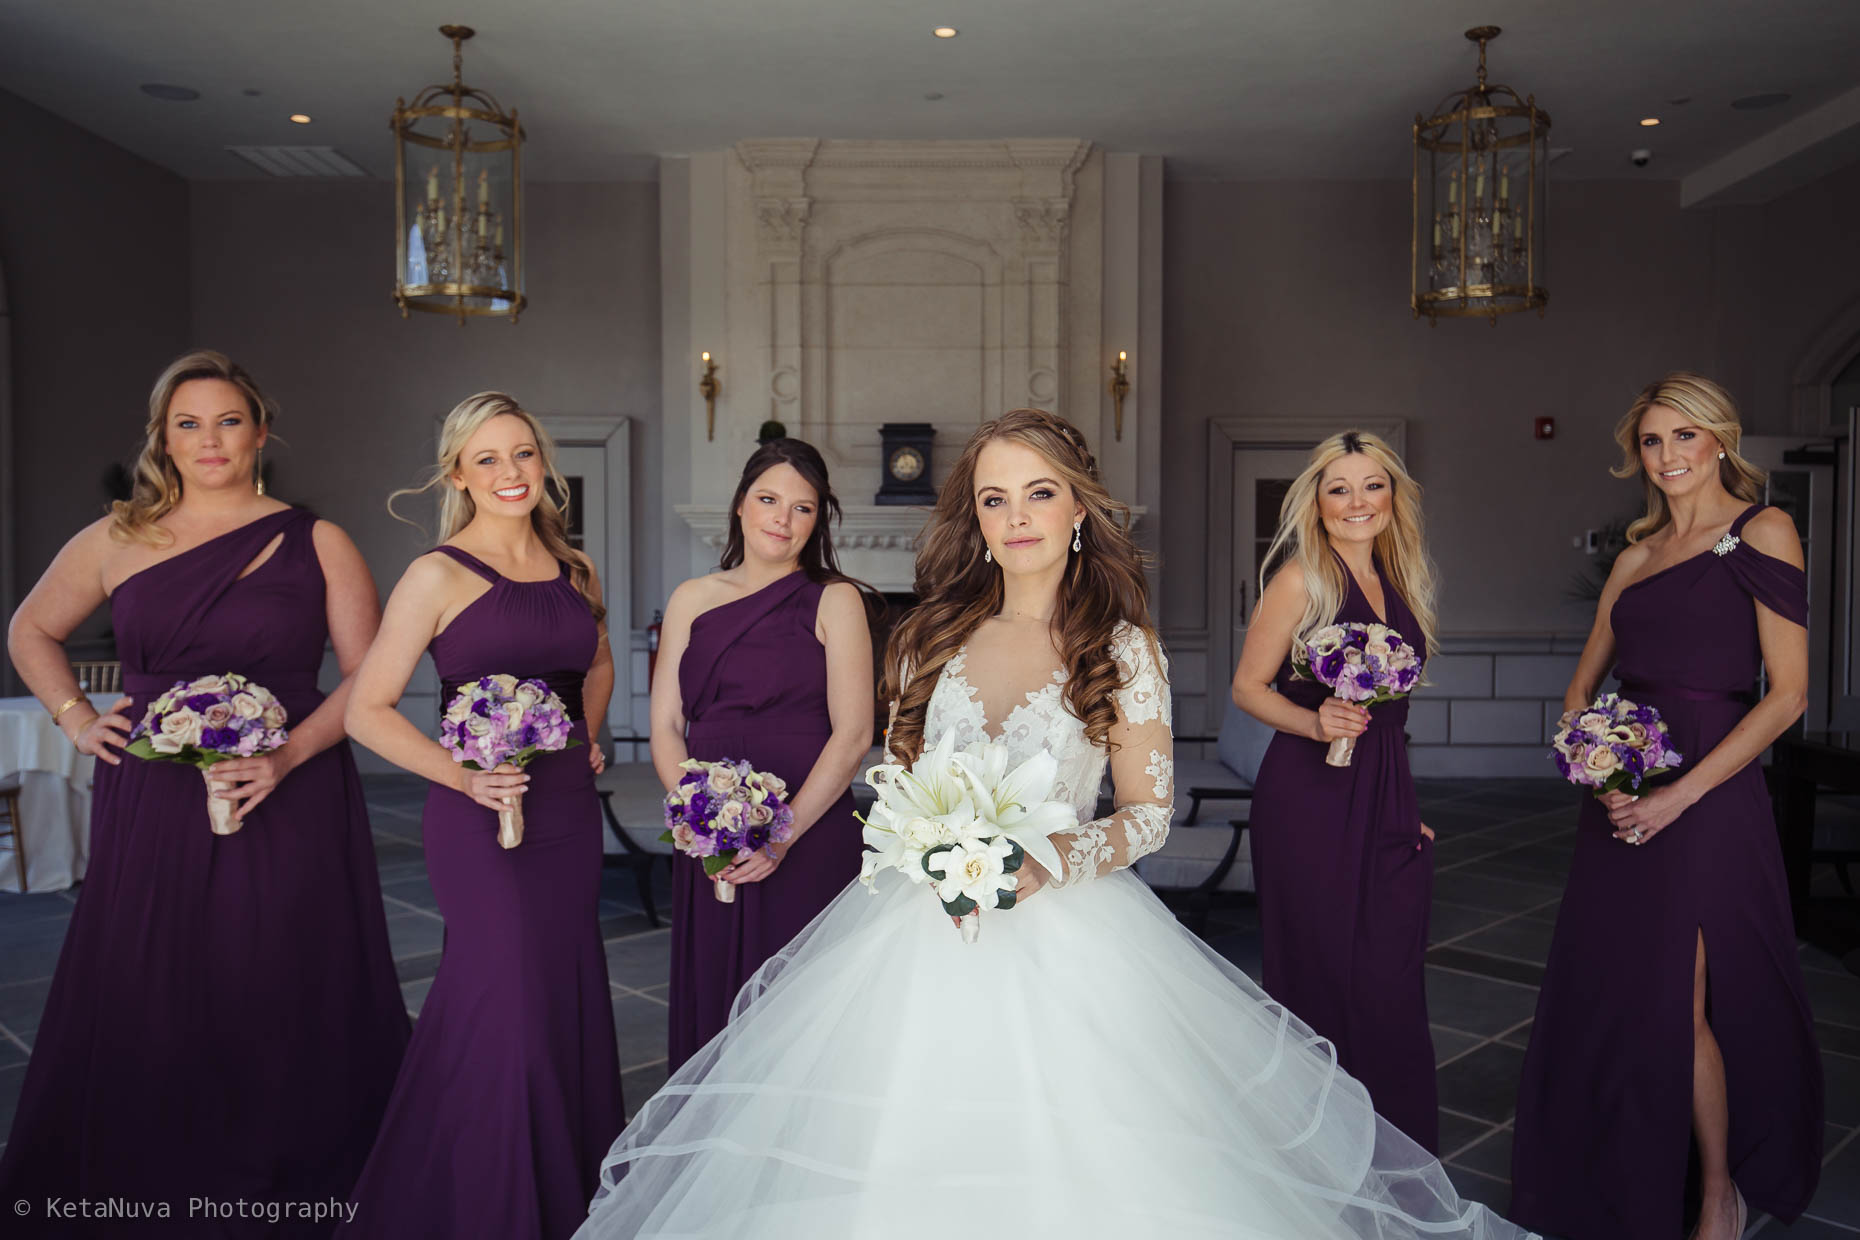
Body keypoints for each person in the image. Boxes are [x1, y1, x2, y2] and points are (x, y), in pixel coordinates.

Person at [572, 409, 1524, 1239]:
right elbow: (898, 778)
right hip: (913, 929)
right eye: (994, 499)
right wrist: (921, 836)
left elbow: (1148, 816)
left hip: (1064, 924)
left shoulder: (1118, 645)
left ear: (1079, 508)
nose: (1016, 517)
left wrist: (1048, 860)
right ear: (975, 517)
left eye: (1039, 494)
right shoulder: (930, 634)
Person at [0, 349, 407, 1236]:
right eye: (188, 423)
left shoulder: (318, 540)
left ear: (260, 432)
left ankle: (292, 1166)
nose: (209, 439)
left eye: (227, 420)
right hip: (153, 794)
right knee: (157, 967)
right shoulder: (119, 536)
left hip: (288, 789)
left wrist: (287, 756)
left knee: (279, 967)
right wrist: (75, 717)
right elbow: (30, 627)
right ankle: (154, 1168)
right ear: (163, 439)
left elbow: (371, 675)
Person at [1511, 373, 1822, 1240]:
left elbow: (1787, 695)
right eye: (1653, 441)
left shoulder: (1763, 531)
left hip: (1711, 794)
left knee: (1684, 998)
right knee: (1620, 989)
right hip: (1623, 802)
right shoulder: (1634, 558)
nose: (1670, 455)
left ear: (1720, 440)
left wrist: (1679, 795)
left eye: (1686, 437)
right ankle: (1623, 1164)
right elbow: (1580, 690)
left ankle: (1719, 1187)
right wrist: (1609, 782)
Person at [339, 393, 623, 1240]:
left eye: (524, 454)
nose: (511, 473)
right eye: (489, 458)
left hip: (566, 812)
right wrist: (463, 779)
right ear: (458, 472)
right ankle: (480, 1203)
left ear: (545, 465)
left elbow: (598, 662)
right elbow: (368, 710)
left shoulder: (576, 570)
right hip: (477, 820)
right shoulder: (436, 574)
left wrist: (588, 736)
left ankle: (560, 1192)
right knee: (502, 1001)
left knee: (561, 991)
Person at [1232, 430, 1441, 1151]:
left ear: (1393, 497)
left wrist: (1403, 810)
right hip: (1308, 802)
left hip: (1382, 792)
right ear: (1316, 503)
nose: (1357, 502)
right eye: (1339, 489)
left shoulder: (1404, 579)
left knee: (1387, 982)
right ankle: (1316, 1161)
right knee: (1322, 979)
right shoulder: (1300, 580)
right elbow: (1246, 688)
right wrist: (1316, 721)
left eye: (1372, 486)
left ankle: (1394, 1156)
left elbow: (1394, 722)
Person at [652, 438, 874, 1070]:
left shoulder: (836, 599)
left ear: (818, 521)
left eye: (802, 508)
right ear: (741, 506)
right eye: (769, 499)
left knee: (800, 1011)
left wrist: (779, 836)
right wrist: (699, 825)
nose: (783, 518)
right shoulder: (692, 597)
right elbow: (667, 722)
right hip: (711, 838)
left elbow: (854, 733)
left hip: (807, 833)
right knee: (718, 998)